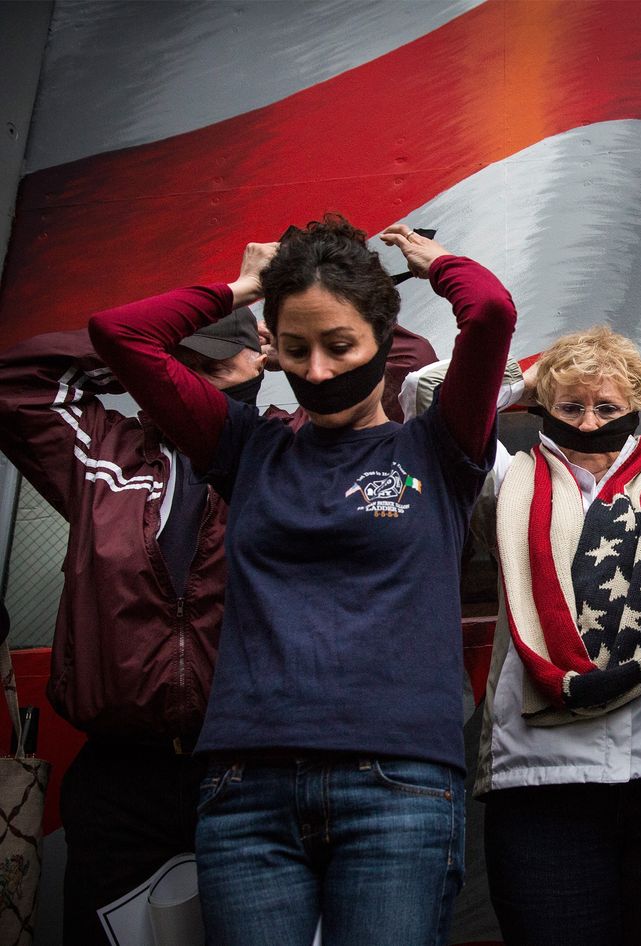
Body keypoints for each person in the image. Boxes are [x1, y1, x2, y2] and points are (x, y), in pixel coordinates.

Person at [86, 216, 514, 946]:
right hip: (247, 791)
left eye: (340, 345)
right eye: (296, 349)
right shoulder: (243, 447)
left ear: (382, 339)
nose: (317, 371)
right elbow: (120, 334)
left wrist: (435, 260)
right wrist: (246, 287)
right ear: (273, 349)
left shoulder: (437, 448)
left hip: (399, 787)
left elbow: (492, 311)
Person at [0, 298, 432, 944]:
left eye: (215, 358)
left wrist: (294, 337)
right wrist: (144, 353)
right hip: (120, 778)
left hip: (254, 772)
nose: (198, 372)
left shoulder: (298, 447)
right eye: (183, 360)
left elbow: (411, 373)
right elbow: (15, 383)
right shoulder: (102, 452)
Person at [405, 326, 641, 946]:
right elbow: (430, 390)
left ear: (636, 408)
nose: (586, 423)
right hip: (539, 785)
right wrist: (539, 374)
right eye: (570, 407)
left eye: (606, 407)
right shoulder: (503, 483)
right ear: (542, 410)